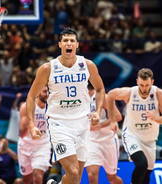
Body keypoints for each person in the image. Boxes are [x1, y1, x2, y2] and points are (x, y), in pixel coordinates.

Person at [26, 27, 105, 184]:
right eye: (65, 41)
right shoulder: (48, 68)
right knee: (73, 171)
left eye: (72, 41)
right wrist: (31, 123)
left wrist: (97, 111)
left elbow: (100, 88)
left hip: (83, 124)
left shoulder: (88, 65)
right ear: (60, 45)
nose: (69, 43)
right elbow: (31, 96)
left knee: (75, 178)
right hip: (59, 124)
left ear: (77, 45)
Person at [108, 68, 162, 184]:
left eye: (146, 85)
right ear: (137, 81)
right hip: (132, 135)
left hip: (150, 139)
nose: (144, 88)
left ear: (152, 82)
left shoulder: (158, 94)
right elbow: (110, 95)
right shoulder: (130, 92)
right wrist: (112, 120)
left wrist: (157, 118)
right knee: (142, 164)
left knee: (147, 172)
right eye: (141, 85)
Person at [85, 83, 123, 184]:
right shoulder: (78, 100)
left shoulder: (103, 97)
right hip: (90, 140)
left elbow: (118, 116)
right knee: (91, 175)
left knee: (112, 178)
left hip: (107, 140)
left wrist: (100, 125)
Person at [18, 87, 51, 184]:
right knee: (27, 180)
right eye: (45, 91)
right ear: (37, 92)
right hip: (26, 145)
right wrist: (29, 126)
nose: (47, 94)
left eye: (49, 91)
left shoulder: (51, 107)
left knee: (37, 175)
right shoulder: (27, 106)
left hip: (42, 145)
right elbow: (21, 132)